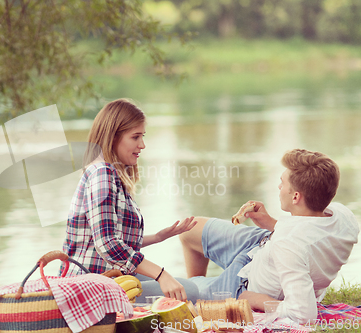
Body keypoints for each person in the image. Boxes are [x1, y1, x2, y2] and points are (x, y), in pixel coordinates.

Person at [180, 148, 359, 324]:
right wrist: (271, 223)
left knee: (181, 291)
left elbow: (304, 313)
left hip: (241, 286)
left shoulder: (289, 245)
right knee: (188, 229)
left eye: (283, 183)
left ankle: (200, 297)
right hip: (261, 244)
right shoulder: (343, 216)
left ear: (296, 196)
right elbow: (309, 233)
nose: (279, 186)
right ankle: (200, 288)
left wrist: (256, 300)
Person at [61, 98, 200, 302]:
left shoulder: (108, 173)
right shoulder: (102, 174)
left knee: (181, 284)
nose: (142, 145)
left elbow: (109, 240)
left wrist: (159, 237)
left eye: (142, 136)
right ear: (113, 137)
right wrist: (161, 275)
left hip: (109, 276)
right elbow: (108, 244)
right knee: (189, 290)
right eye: (135, 137)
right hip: (90, 287)